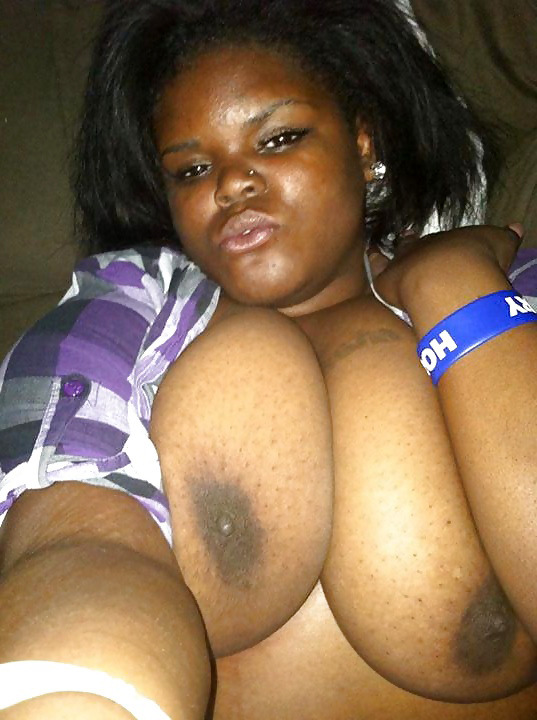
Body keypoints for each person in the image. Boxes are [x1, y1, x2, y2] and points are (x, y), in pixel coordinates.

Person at [1, 0, 537, 717]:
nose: (228, 184)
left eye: (279, 138)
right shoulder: (124, 305)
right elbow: (70, 528)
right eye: (192, 169)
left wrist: (456, 280)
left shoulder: (511, 284)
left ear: (363, 144)